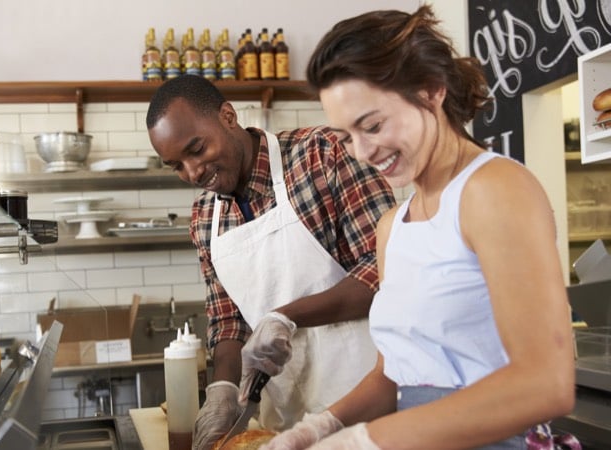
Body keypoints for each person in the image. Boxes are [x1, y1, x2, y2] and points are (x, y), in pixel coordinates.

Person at [264, 5, 578, 450]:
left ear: (431, 90)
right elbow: (394, 374)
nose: (362, 152)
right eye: (347, 137)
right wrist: (320, 427)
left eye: (372, 126)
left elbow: (545, 384)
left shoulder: (493, 189)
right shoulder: (393, 227)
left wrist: (365, 441)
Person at [146, 74, 395, 450]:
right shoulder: (204, 216)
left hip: (368, 406)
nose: (193, 172)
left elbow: (388, 271)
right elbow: (227, 321)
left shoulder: (322, 155)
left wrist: (285, 317)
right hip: (283, 427)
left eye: (197, 149)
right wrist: (223, 388)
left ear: (228, 116)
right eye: (176, 165)